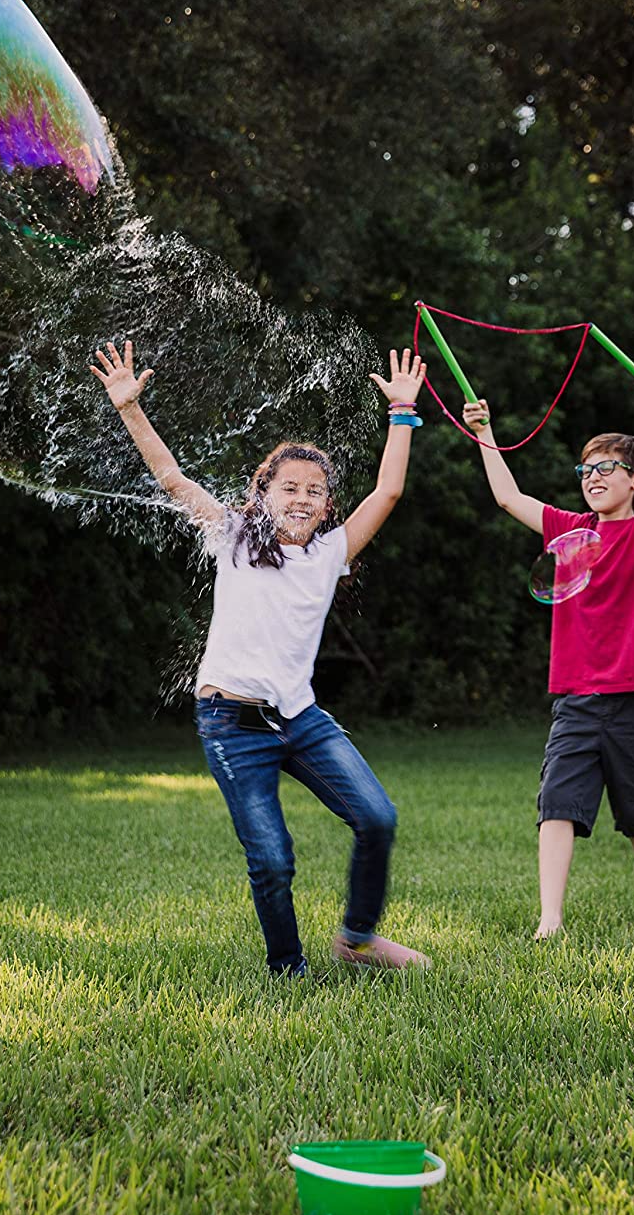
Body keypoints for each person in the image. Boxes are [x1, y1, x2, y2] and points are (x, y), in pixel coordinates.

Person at [93, 339, 431, 977]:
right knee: (273, 859)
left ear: (328, 507)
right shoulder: (234, 538)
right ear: (264, 493)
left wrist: (403, 413)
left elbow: (387, 492)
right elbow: (173, 480)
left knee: (377, 817)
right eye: (289, 487)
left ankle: (356, 939)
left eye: (315, 491)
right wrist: (131, 409)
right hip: (231, 723)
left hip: (300, 718)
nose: (302, 498)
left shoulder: (331, 553)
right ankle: (288, 969)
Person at [463, 382, 634, 937]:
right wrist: (485, 435)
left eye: (606, 468)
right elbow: (509, 498)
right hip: (575, 698)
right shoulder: (571, 530)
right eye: (586, 471)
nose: (593, 477)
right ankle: (550, 920)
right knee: (558, 802)